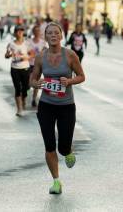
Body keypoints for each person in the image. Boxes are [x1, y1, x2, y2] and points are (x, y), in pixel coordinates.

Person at [30, 22, 85, 195]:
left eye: (56, 33)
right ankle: (56, 182)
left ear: (61, 36)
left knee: (63, 147)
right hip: (46, 105)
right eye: (49, 33)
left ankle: (68, 151)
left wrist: (69, 81)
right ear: (45, 37)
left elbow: (82, 76)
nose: (53, 35)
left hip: (66, 106)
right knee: (49, 145)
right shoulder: (40, 57)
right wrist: (36, 84)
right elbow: (32, 79)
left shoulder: (70, 55)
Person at [5, 26, 31, 116]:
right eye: (18, 31)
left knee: (25, 88)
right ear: (15, 33)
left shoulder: (27, 43)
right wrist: (8, 55)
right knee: (17, 88)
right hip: (15, 68)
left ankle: (24, 99)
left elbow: (32, 54)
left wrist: (26, 57)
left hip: (25, 68)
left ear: (23, 32)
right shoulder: (11, 44)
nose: (20, 32)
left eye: (21, 31)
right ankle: (19, 109)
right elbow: (6, 55)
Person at [27, 25, 47, 107]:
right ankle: (27, 87)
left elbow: (46, 52)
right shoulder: (29, 42)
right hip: (30, 64)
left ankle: (34, 99)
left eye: (38, 31)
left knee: (36, 83)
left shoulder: (43, 42)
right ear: (33, 32)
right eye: (35, 31)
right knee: (29, 83)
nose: (37, 32)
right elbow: (27, 52)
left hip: (38, 65)